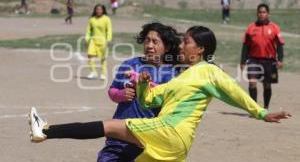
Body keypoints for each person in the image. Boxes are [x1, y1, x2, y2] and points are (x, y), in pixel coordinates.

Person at [28, 26, 291, 162]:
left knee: (108, 127)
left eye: (187, 41)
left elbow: (234, 93)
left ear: (200, 49)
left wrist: (261, 112)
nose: (182, 44)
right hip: (175, 144)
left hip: (169, 131)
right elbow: (150, 99)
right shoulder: (183, 76)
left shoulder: (209, 71)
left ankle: (46, 131)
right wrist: (143, 84)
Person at [98, 22, 181, 162]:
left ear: (166, 47)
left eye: (155, 42)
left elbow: (170, 107)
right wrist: (120, 95)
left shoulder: (170, 75)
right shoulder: (130, 64)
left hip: (146, 141)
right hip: (118, 138)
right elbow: (112, 91)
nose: (149, 46)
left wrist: (146, 86)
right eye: (147, 40)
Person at [240, 3, 284, 109]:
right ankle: (255, 109)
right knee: (252, 83)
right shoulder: (251, 28)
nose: (261, 14)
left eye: (264, 12)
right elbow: (245, 45)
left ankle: (265, 107)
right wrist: (242, 61)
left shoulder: (274, 28)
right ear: (257, 13)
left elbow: (280, 44)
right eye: (259, 12)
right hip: (253, 60)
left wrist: (280, 60)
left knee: (267, 85)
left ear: (268, 14)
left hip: (269, 61)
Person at [85, 4, 112, 80]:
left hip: (103, 41)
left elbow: (109, 30)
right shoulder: (92, 19)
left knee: (103, 58)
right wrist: (87, 39)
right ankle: (93, 72)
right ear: (95, 10)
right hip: (93, 41)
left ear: (103, 10)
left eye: (100, 9)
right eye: (97, 9)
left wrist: (108, 39)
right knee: (90, 55)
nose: (98, 11)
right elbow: (88, 31)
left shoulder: (106, 19)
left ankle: (103, 73)